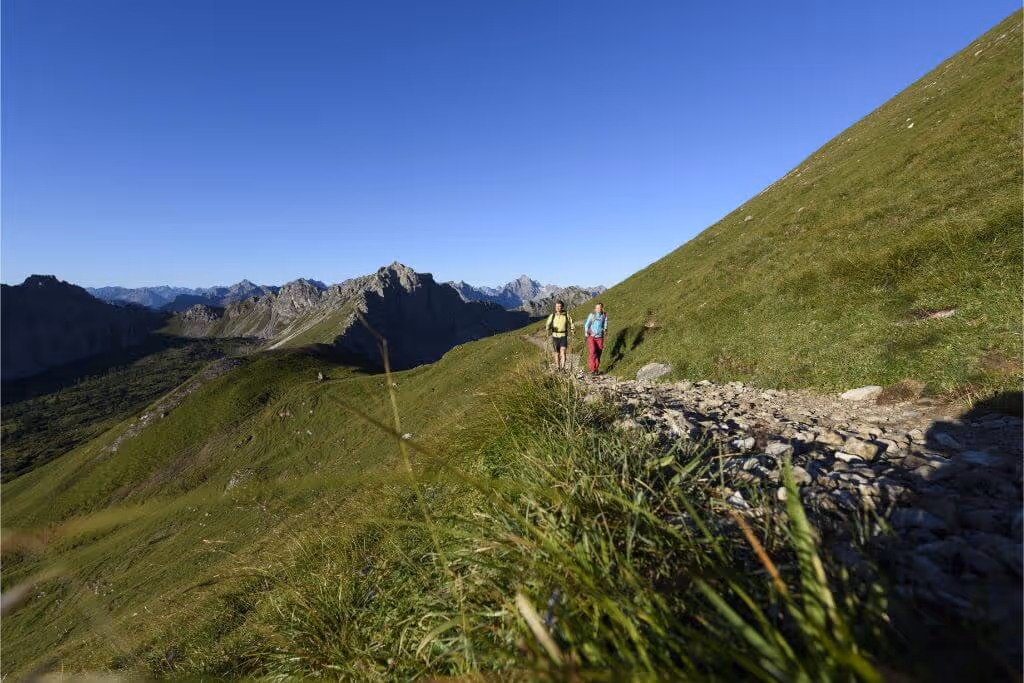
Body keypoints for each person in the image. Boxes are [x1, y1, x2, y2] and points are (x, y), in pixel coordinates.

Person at [545, 300, 574, 370]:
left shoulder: (566, 315)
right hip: (555, 336)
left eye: (559, 306)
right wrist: (548, 327)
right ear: (555, 307)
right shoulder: (552, 315)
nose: (558, 308)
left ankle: (563, 367)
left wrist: (573, 329)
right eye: (557, 306)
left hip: (563, 336)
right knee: (556, 353)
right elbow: (547, 324)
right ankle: (558, 367)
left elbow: (571, 322)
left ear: (562, 307)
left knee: (563, 352)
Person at [584, 302, 608, 375]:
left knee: (598, 353)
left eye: (600, 308)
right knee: (592, 352)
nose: (598, 309)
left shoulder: (604, 316)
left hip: (600, 337)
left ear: (602, 309)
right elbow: (586, 324)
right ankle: (592, 369)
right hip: (591, 336)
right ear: (595, 309)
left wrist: (605, 329)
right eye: (597, 308)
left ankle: (596, 369)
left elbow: (605, 324)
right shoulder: (592, 315)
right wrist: (586, 333)